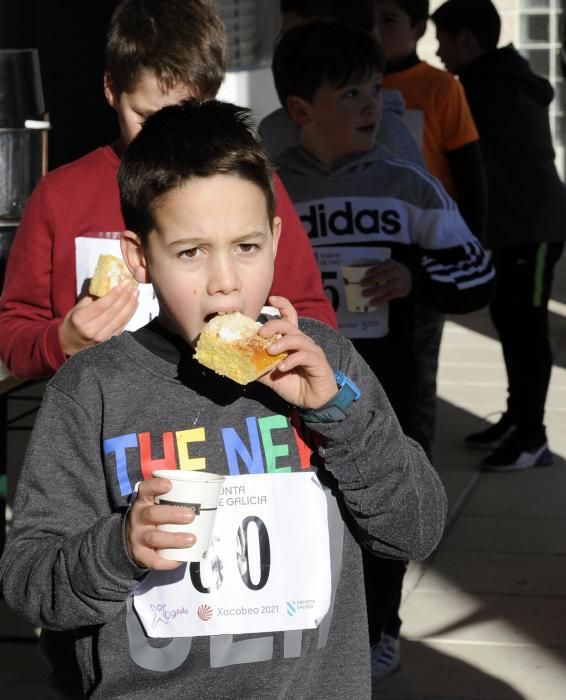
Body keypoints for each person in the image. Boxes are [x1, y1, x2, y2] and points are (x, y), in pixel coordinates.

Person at [0, 98, 448, 699]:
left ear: (276, 238)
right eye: (190, 252)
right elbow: (31, 580)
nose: (225, 280)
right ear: (139, 257)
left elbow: (414, 530)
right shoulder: (91, 391)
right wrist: (119, 546)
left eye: (247, 246)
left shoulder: (323, 365)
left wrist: (336, 412)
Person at [270, 19, 494, 680]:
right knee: (304, 509)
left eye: (374, 90)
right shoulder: (266, 189)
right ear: (300, 110)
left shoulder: (406, 183)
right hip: (282, 387)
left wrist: (414, 279)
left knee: (379, 509)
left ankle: (379, 628)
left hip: (384, 385)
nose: (372, 105)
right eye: (351, 94)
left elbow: (477, 272)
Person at [0, 0, 335, 381]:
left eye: (185, 113)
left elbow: (313, 313)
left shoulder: (248, 186)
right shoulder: (60, 195)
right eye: (146, 117)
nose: (163, 136)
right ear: (111, 88)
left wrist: (278, 341)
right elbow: (14, 333)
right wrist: (63, 340)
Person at [432, 0, 566, 470]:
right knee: (512, 322)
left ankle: (533, 437)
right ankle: (517, 419)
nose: (438, 49)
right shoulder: (497, 78)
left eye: (444, 39)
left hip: (533, 229)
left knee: (526, 328)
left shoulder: (488, 89)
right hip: (516, 229)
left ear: (468, 39)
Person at [375, 0, 488, 459]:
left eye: (390, 20)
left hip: (423, 252)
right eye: (371, 20)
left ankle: (419, 480)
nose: (377, 31)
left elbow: (470, 174)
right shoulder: (353, 82)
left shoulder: (440, 88)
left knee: (418, 374)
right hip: (365, 248)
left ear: (419, 27)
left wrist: (468, 249)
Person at [258, 0, 424, 166]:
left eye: (311, 42)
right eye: (286, 36)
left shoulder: (388, 136)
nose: (290, 51)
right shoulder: (273, 130)